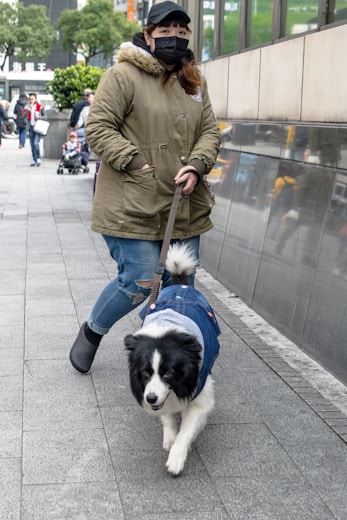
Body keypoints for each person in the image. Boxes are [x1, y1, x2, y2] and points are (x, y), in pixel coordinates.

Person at [69, 0, 221, 374]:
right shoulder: (122, 75)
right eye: (165, 31)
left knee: (178, 282)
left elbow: (210, 131)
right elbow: (98, 128)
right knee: (138, 279)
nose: (174, 38)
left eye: (181, 32)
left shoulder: (193, 80)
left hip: (182, 203)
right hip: (131, 200)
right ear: (148, 35)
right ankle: (92, 330)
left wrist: (198, 166)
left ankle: (161, 352)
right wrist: (138, 164)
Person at [23, 93, 45, 166]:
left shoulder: (40, 106)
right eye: (30, 99)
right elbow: (23, 116)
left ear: (35, 99)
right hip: (30, 127)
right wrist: (29, 109)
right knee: (32, 144)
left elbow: (45, 116)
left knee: (36, 143)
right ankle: (34, 159)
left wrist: (39, 117)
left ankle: (38, 158)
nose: (31, 100)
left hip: (38, 127)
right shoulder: (27, 106)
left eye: (32, 99)